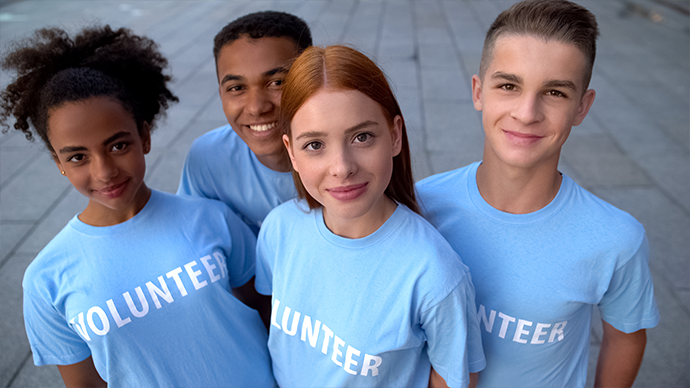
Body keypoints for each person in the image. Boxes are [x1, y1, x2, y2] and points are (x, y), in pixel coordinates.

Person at [1, 25, 276, 387]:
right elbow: (86, 384)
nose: (104, 172)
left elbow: (270, 315)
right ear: (59, 163)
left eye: (118, 146)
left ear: (144, 136)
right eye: (78, 157)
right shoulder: (46, 280)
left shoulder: (213, 218)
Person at [416, 1, 659, 387]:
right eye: (509, 85)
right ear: (479, 92)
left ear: (582, 106)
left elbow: (625, 336)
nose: (527, 112)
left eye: (555, 93)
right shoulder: (422, 206)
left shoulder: (615, 238)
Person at [254, 45, 485, 387]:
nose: (342, 167)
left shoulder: (433, 273)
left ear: (394, 135)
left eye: (362, 137)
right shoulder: (279, 229)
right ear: (291, 151)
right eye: (315, 145)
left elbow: (454, 378)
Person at [177, 11, 312, 235]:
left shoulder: (345, 161)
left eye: (277, 82)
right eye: (237, 88)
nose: (256, 108)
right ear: (221, 94)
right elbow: (195, 237)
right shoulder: (207, 158)